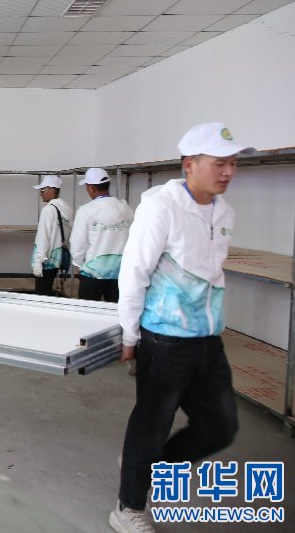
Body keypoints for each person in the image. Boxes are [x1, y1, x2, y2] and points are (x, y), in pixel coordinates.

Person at [109, 123, 252, 533]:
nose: (228, 171)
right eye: (219, 163)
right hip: (164, 339)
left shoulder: (224, 212)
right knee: (151, 426)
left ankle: (144, 467)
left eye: (233, 163)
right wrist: (130, 334)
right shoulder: (162, 207)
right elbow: (134, 271)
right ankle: (128, 507)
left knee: (220, 426)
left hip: (207, 338)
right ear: (190, 164)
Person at [69, 168, 134, 302]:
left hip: (92, 273)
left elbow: (78, 243)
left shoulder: (86, 211)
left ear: (91, 189)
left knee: (89, 310)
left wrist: (78, 263)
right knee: (116, 310)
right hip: (120, 272)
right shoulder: (126, 209)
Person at [30, 175, 72, 296]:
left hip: (46, 261)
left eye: (43, 190)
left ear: (52, 190)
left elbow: (43, 237)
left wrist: (38, 261)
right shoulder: (67, 209)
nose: (40, 193)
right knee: (48, 291)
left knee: (42, 294)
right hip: (57, 259)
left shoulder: (48, 210)